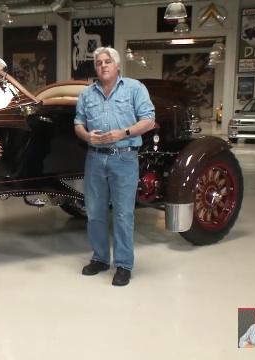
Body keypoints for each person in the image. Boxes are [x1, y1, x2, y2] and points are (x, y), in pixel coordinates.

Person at [73, 46, 155, 286]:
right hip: (95, 158)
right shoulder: (87, 94)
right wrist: (87, 136)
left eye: (108, 61)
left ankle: (123, 265)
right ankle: (100, 259)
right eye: (99, 63)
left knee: (122, 214)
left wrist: (124, 132)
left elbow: (149, 120)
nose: (103, 66)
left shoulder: (134, 89)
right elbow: (78, 123)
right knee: (95, 212)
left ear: (117, 65)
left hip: (124, 158)